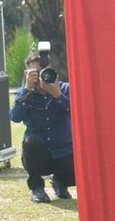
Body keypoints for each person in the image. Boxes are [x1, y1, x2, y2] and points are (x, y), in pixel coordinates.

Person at [10, 47, 74, 203]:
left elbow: (78, 113)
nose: (39, 77)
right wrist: (27, 89)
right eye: (34, 73)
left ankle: (60, 182)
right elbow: (15, 117)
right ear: (27, 74)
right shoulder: (24, 93)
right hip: (39, 155)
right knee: (31, 142)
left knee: (81, 161)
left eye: (41, 71)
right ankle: (37, 188)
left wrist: (57, 94)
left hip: (63, 150)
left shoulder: (65, 89)